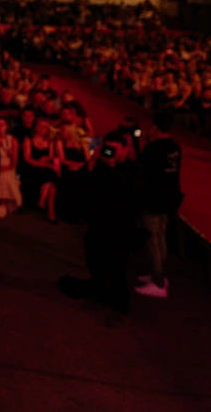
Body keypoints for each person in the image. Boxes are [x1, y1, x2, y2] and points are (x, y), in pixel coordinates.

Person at [63, 130, 138, 321]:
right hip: (97, 224)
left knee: (117, 269)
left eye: (114, 149)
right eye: (107, 148)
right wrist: (92, 160)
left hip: (119, 228)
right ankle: (102, 294)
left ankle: (121, 309)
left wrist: (112, 166)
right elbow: (80, 181)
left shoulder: (131, 168)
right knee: (95, 262)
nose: (110, 152)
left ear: (124, 149)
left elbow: (127, 193)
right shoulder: (100, 165)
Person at [136, 115, 183, 298]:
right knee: (161, 234)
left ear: (155, 128)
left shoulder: (152, 148)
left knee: (151, 238)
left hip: (154, 198)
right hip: (170, 197)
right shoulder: (175, 147)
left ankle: (158, 280)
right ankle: (159, 271)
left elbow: (143, 171)